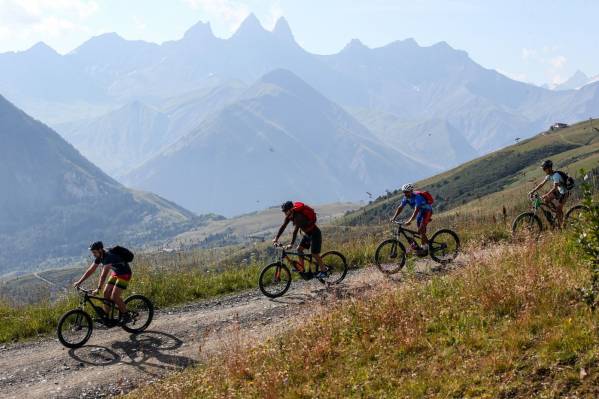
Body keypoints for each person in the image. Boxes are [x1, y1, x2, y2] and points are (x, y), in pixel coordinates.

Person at [74, 241, 132, 322]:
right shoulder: (100, 257)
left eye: (94, 252)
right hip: (116, 273)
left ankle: (126, 315)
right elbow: (90, 270)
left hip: (125, 274)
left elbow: (103, 275)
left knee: (114, 296)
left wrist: (98, 288)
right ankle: (106, 316)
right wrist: (79, 282)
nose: (93, 254)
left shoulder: (109, 256)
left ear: (100, 250)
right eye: (92, 252)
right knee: (106, 292)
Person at [272, 201, 327, 279]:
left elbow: (295, 231)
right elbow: (283, 226)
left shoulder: (298, 217)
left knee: (315, 254)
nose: (284, 212)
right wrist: (276, 238)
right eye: (284, 211)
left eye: (285, 211)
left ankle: (324, 271)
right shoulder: (289, 216)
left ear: (291, 209)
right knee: (299, 250)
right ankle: (302, 269)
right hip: (308, 234)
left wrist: (291, 244)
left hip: (315, 234)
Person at [390, 184, 433, 256]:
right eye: (404, 192)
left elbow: (416, 210)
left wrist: (409, 221)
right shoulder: (406, 198)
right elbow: (400, 207)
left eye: (407, 192)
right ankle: (427, 245)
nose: (405, 193)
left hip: (427, 212)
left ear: (411, 191)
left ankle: (424, 249)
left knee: (421, 230)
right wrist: (394, 217)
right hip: (421, 213)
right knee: (420, 232)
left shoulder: (417, 197)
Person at [529, 159, 569, 227]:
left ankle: (561, 225)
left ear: (549, 168)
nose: (544, 170)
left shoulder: (556, 175)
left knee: (559, 208)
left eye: (544, 169)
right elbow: (541, 184)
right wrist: (533, 191)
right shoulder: (549, 175)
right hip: (559, 191)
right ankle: (556, 212)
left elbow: (555, 188)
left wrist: (546, 194)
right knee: (546, 200)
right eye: (543, 169)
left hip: (564, 192)